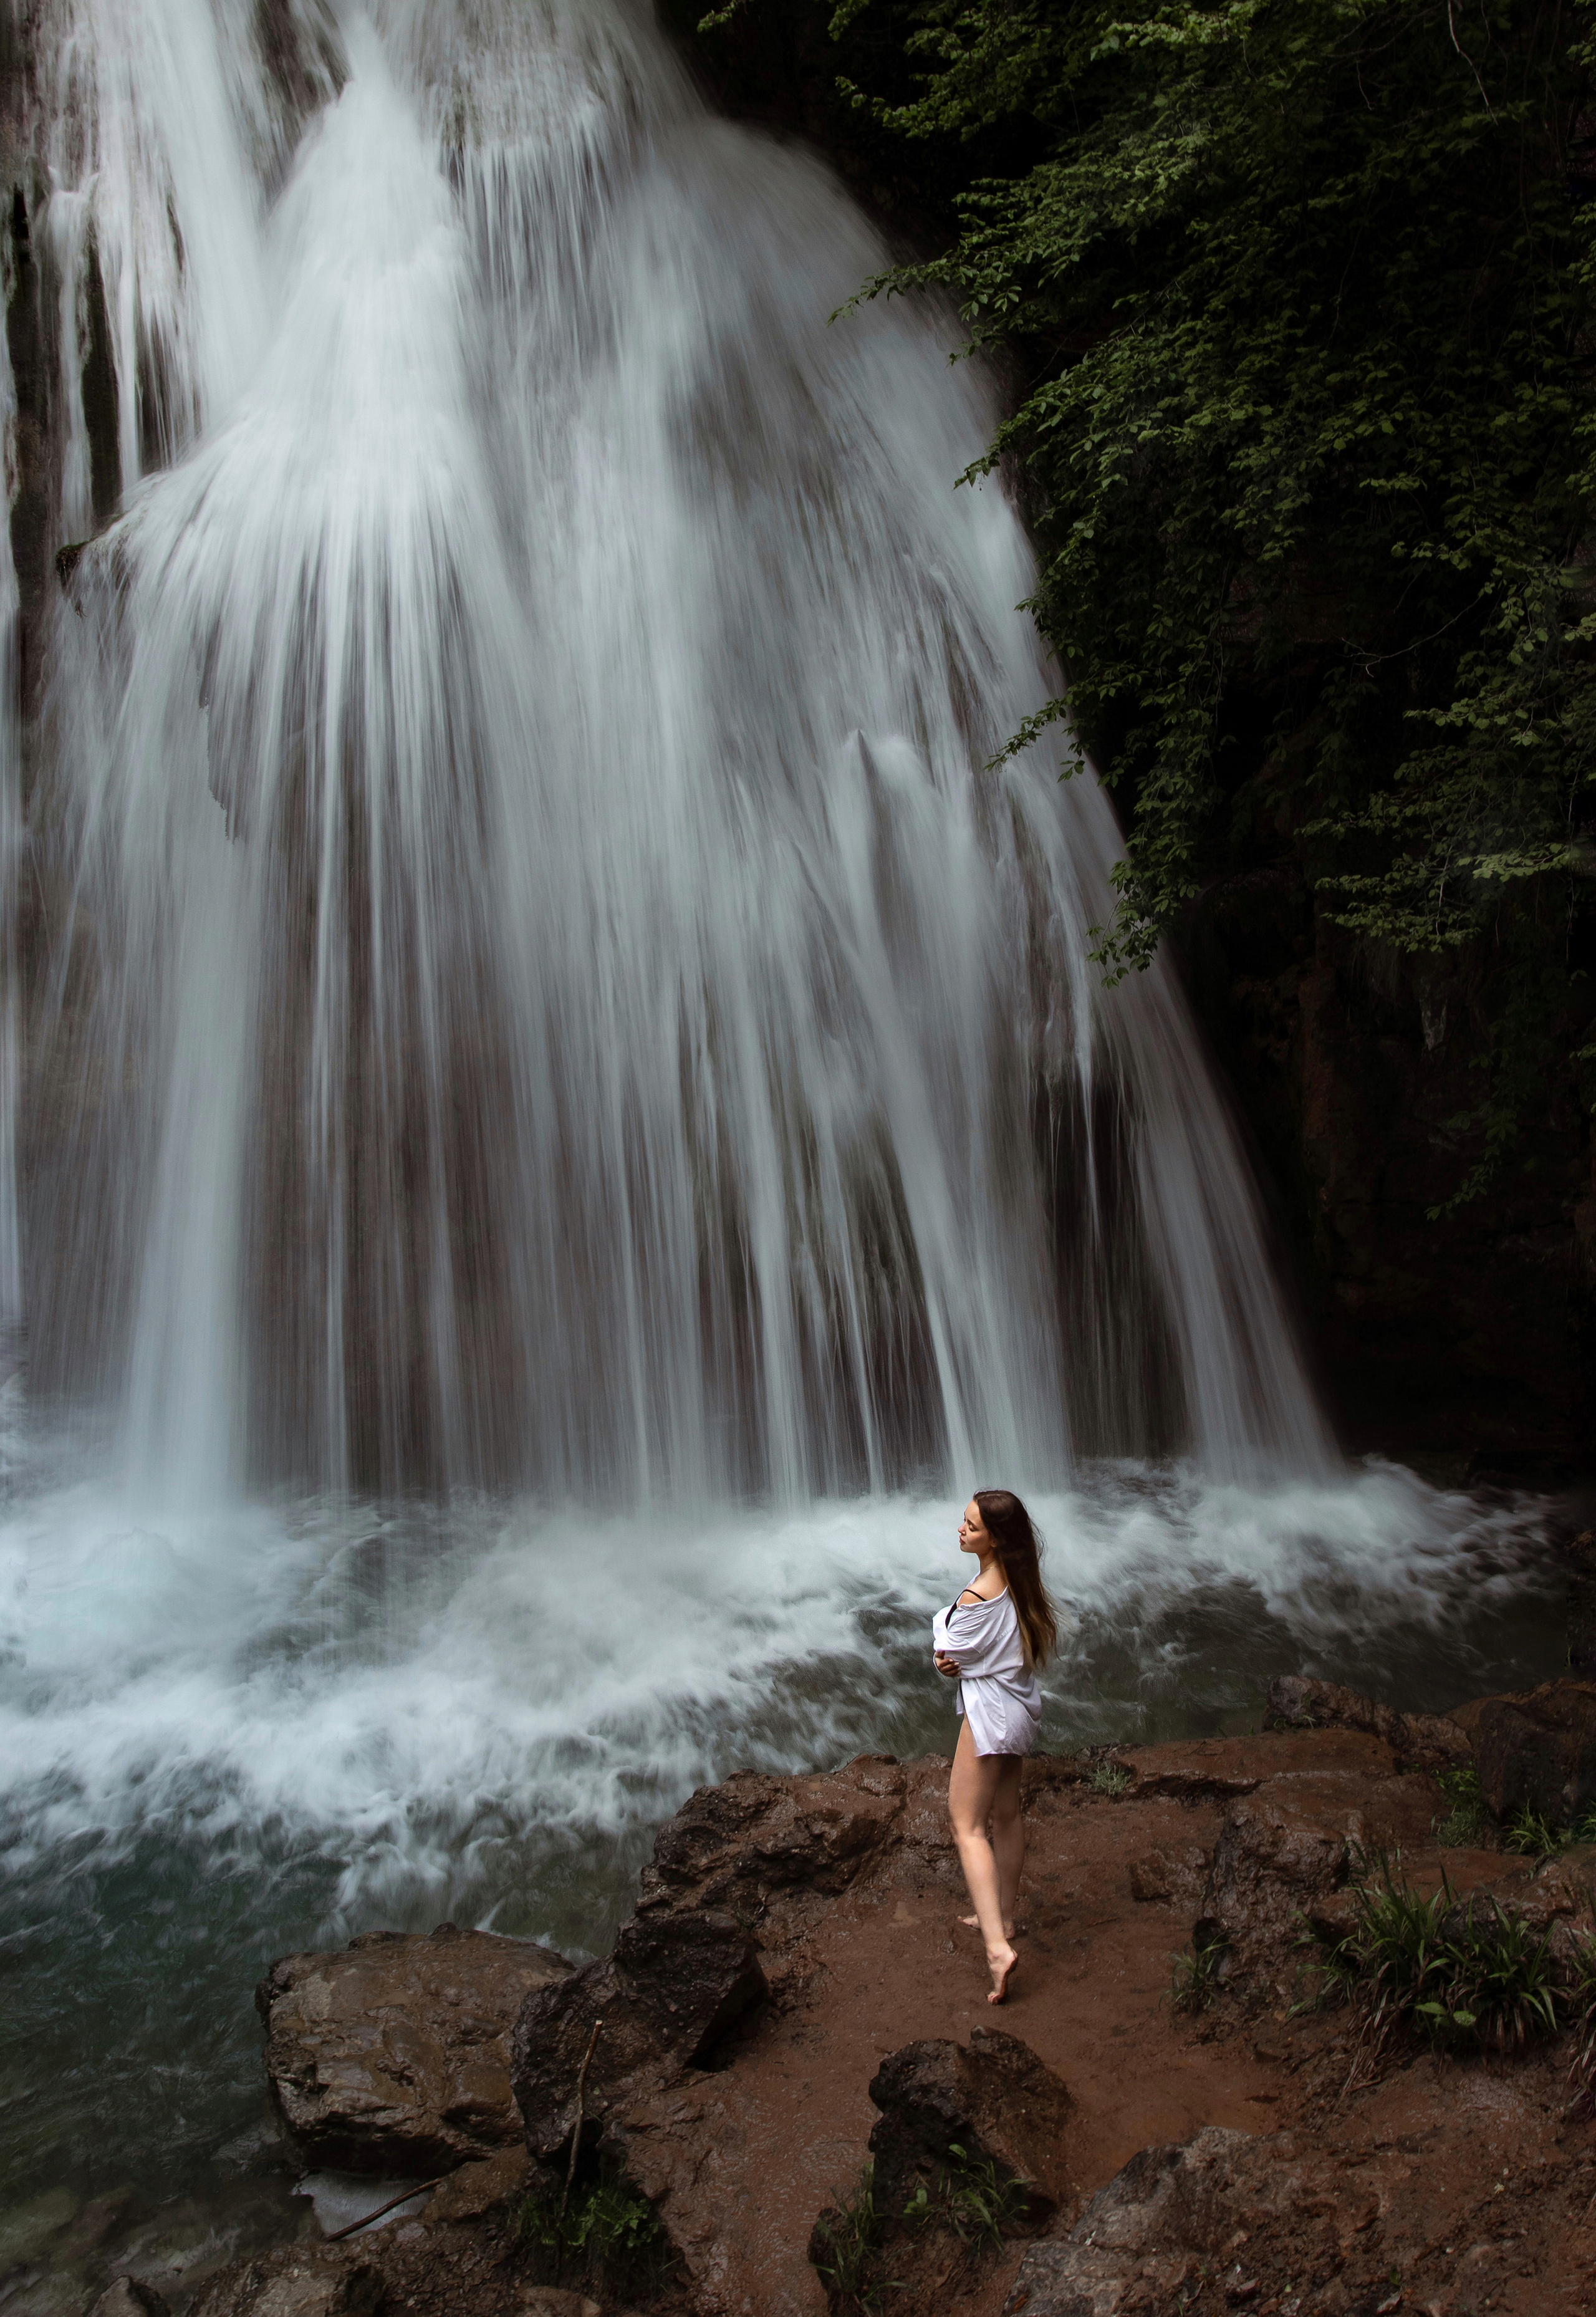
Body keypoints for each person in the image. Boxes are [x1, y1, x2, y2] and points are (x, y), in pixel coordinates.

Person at [931, 1488, 1057, 2003]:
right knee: (1005, 1814)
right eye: (963, 1522)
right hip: (1019, 1707)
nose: (961, 1530)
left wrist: (943, 1656)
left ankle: (996, 1948)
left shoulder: (979, 1594)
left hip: (988, 1714)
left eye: (972, 1526)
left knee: (965, 1826)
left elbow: (949, 1645)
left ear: (996, 1539)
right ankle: (1004, 1914)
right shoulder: (1021, 1583)